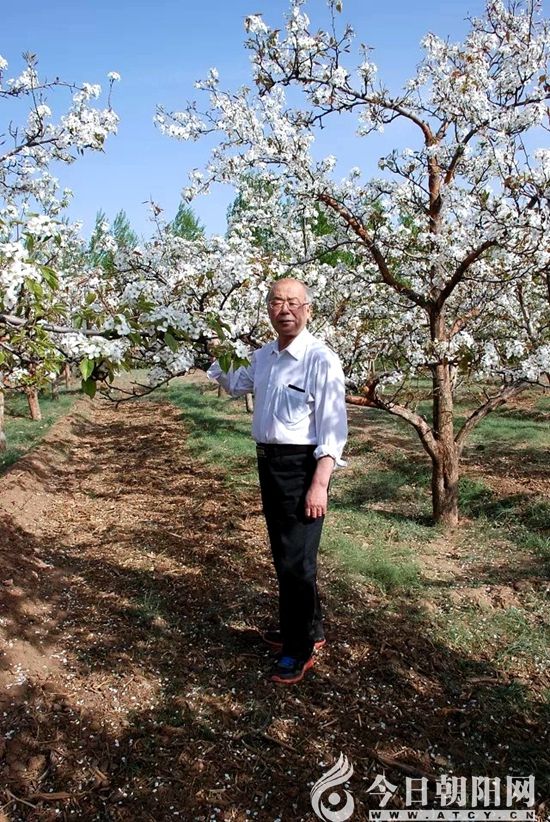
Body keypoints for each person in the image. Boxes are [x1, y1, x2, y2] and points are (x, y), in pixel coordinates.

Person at [207, 278, 347, 685]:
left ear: (308, 310)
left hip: (302, 467)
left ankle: (298, 650)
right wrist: (215, 346)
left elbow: (333, 428)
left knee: (295, 562)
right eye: (276, 302)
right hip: (269, 463)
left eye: (293, 302)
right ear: (267, 308)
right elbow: (233, 382)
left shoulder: (320, 359)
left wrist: (319, 483)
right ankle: (308, 629)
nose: (284, 309)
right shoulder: (263, 357)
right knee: (287, 554)